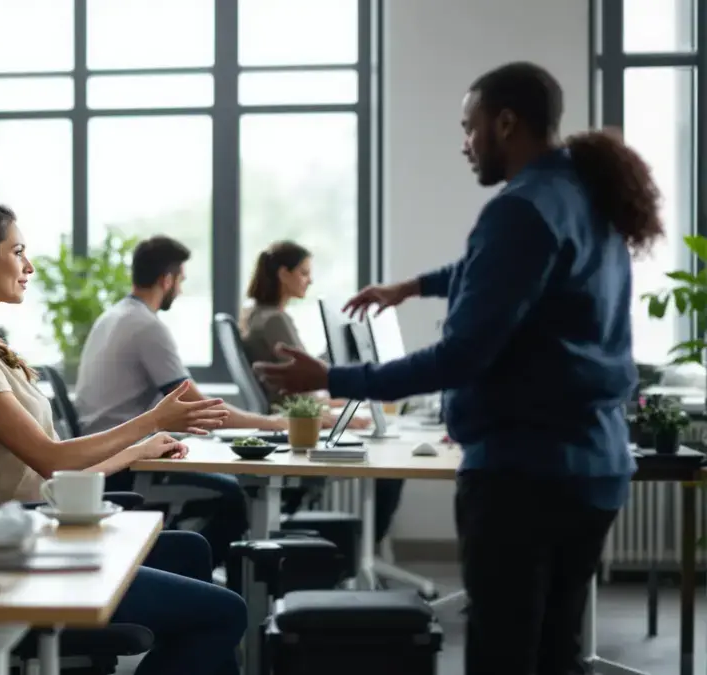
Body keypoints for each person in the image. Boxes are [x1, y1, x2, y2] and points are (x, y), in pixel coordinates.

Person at [256, 62, 661, 675]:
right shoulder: (581, 193)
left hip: (526, 475)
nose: (465, 143)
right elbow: (504, 270)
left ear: (506, 122)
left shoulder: (521, 208)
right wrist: (413, 287)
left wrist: (332, 379)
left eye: (470, 127)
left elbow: (460, 357)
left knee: (504, 655)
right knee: (554, 652)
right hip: (592, 468)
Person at [0, 203, 245, 675]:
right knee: (226, 613)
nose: (29, 266)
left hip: (42, 520)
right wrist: (149, 422)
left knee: (193, 551)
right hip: (30, 545)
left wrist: (136, 451)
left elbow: (53, 470)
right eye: (17, 252)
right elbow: (49, 460)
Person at [74, 235, 285, 567]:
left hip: (108, 449)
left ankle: (186, 569)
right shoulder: (146, 326)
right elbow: (200, 408)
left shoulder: (115, 316)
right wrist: (274, 424)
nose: (181, 290)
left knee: (228, 487)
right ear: (166, 280)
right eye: (181, 280)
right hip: (125, 463)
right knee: (236, 496)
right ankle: (187, 573)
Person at [240, 241, 396, 541]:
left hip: (293, 421)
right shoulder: (275, 320)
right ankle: (364, 554)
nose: (309, 280)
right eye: (303, 272)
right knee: (388, 472)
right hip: (297, 425)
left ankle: (362, 559)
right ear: (283, 274)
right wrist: (343, 419)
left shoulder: (257, 314)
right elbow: (300, 391)